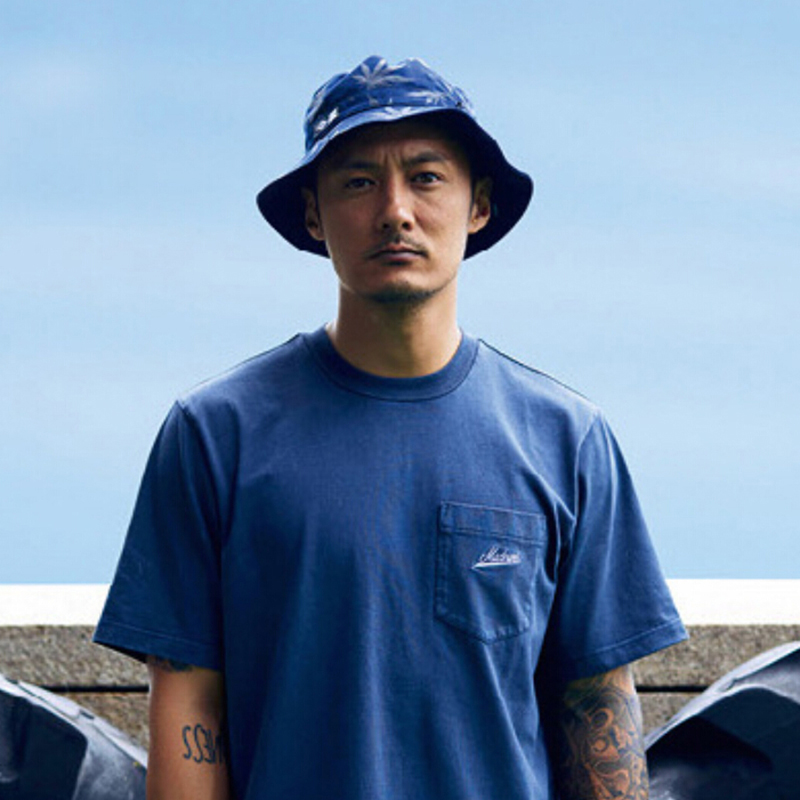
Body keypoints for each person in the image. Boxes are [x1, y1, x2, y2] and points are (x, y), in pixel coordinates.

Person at [94, 55, 687, 800]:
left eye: (427, 177)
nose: (395, 210)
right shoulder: (215, 435)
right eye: (358, 182)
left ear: (479, 205)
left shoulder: (567, 440)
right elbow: (190, 706)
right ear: (314, 214)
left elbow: (598, 706)